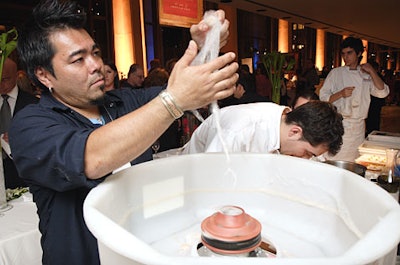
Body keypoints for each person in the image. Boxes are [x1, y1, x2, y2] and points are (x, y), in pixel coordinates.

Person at [9, 1, 238, 264]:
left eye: (94, 53)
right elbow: (91, 159)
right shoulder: (30, 125)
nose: (95, 64)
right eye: (78, 59)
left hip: (143, 251)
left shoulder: (122, 101)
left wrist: (205, 48)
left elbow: (189, 91)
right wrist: (172, 102)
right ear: (44, 75)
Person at [182, 101, 344, 159]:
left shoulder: (283, 120)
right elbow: (210, 180)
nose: (306, 159)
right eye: (308, 153)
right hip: (194, 181)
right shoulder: (241, 130)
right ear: (295, 132)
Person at [319, 37, 389, 161]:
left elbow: (382, 92)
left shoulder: (366, 74)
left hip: (358, 128)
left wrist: (372, 71)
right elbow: (323, 98)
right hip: (338, 125)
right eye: (343, 53)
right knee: (333, 159)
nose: (345, 57)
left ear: (359, 53)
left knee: (353, 162)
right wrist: (340, 93)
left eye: (349, 53)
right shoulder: (336, 73)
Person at [0, 57, 39, 189]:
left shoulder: (34, 104)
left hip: (25, 177)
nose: (0, 84)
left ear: (17, 76)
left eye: (5, 79)